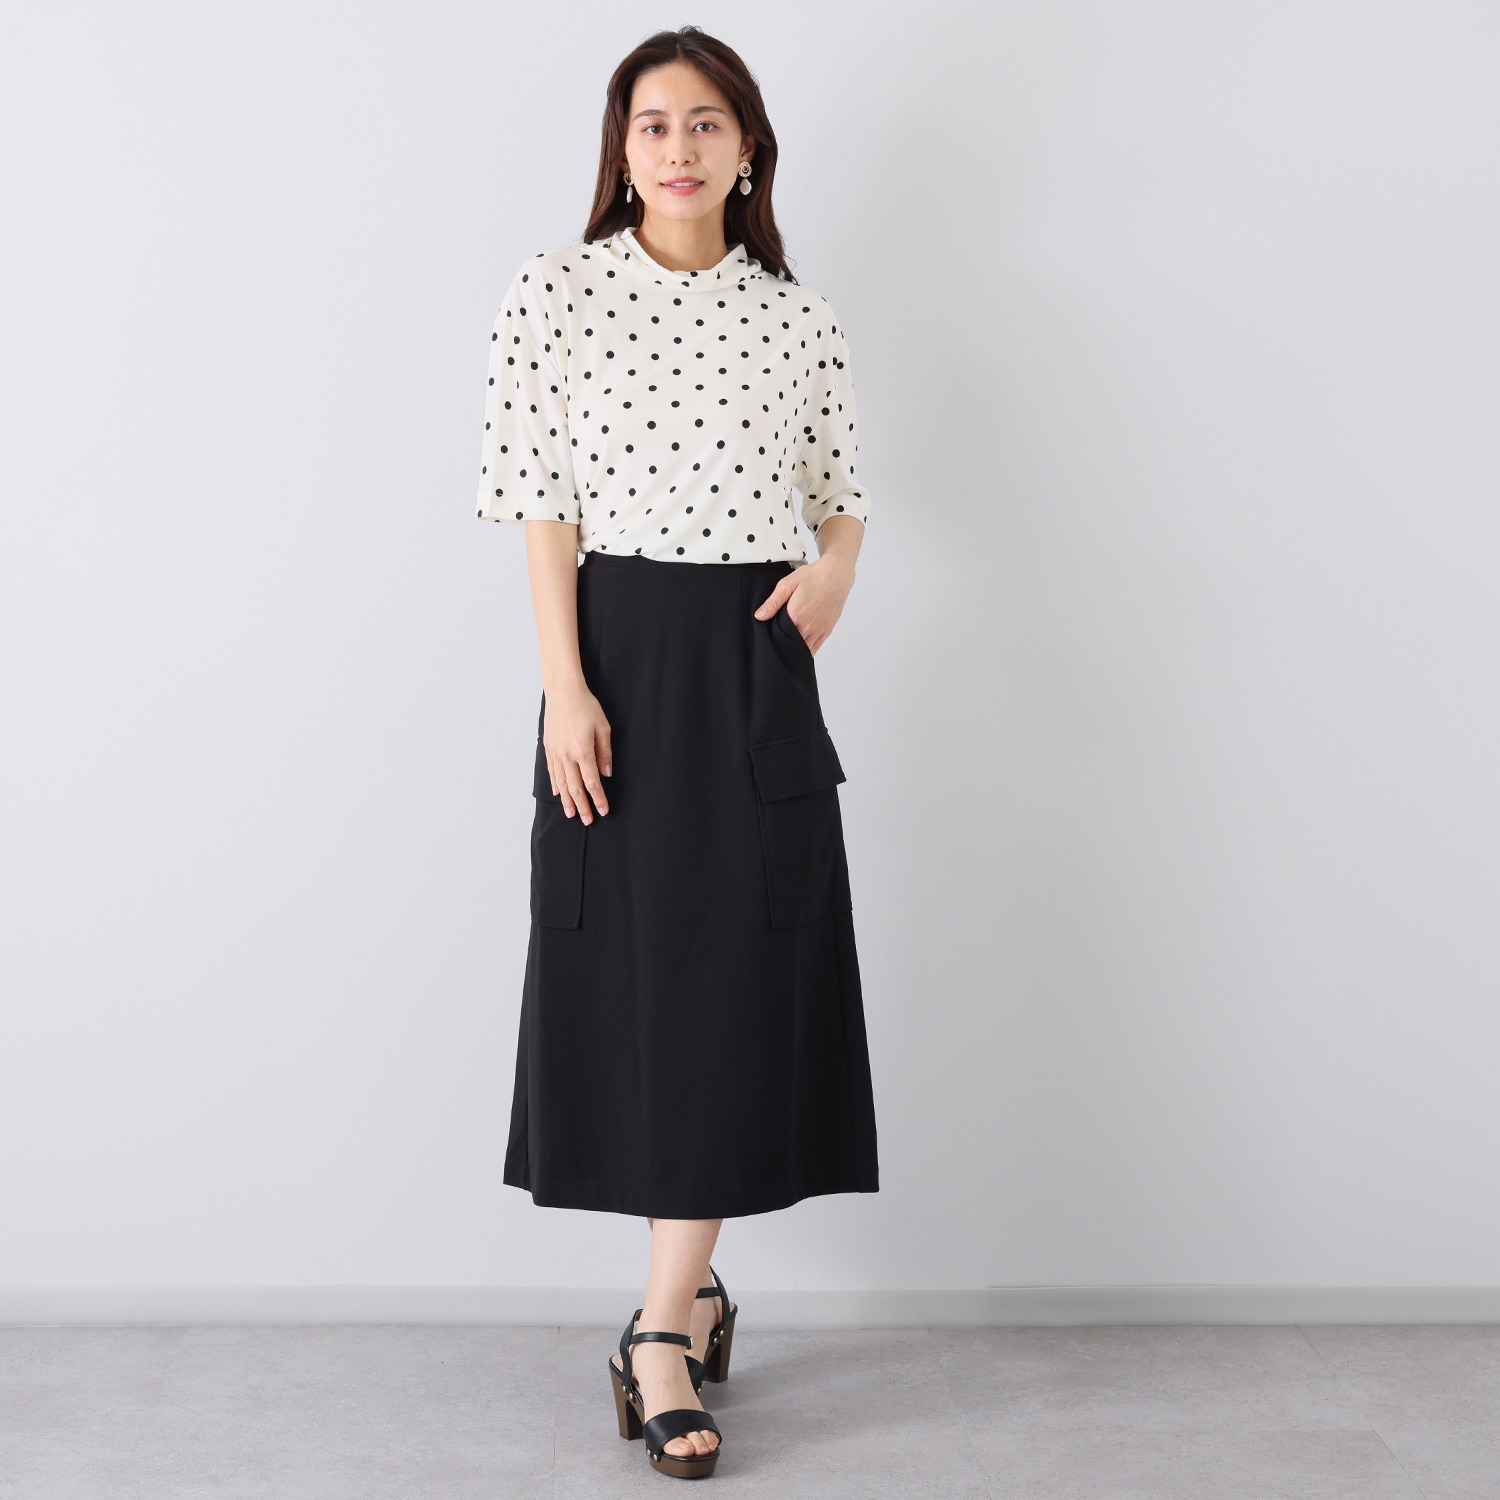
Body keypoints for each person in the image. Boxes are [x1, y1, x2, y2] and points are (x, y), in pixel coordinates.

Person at [474, 25, 879, 1480]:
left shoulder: (799, 315)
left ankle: (658, 1331)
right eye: (654, 125)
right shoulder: (556, 291)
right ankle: (688, 1303)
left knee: (728, 988)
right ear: (622, 149)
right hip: (617, 663)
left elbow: (842, 492)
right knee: (637, 987)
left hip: (754, 667)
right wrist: (563, 687)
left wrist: (835, 574)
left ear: (748, 147)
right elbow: (540, 500)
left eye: (707, 123)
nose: (681, 148)